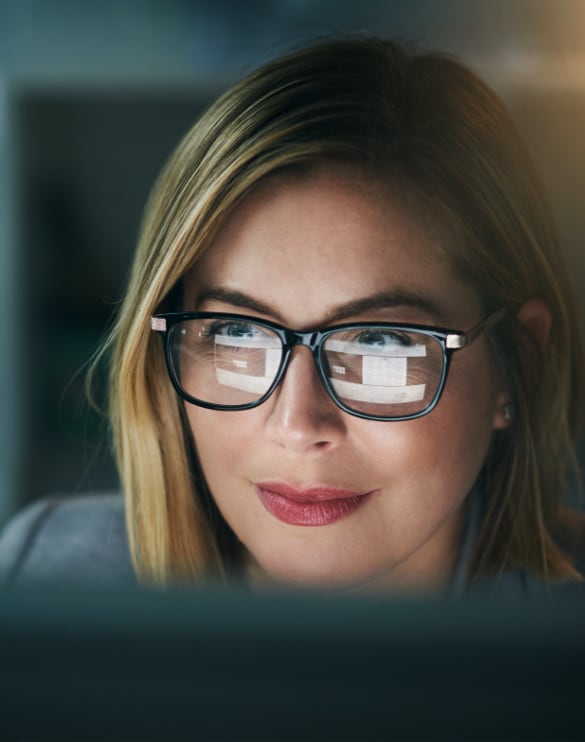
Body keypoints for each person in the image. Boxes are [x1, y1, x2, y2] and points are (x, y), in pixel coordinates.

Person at [1, 35, 584, 594]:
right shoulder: (43, 576)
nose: (298, 426)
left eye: (379, 343)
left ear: (518, 364)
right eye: (235, 332)